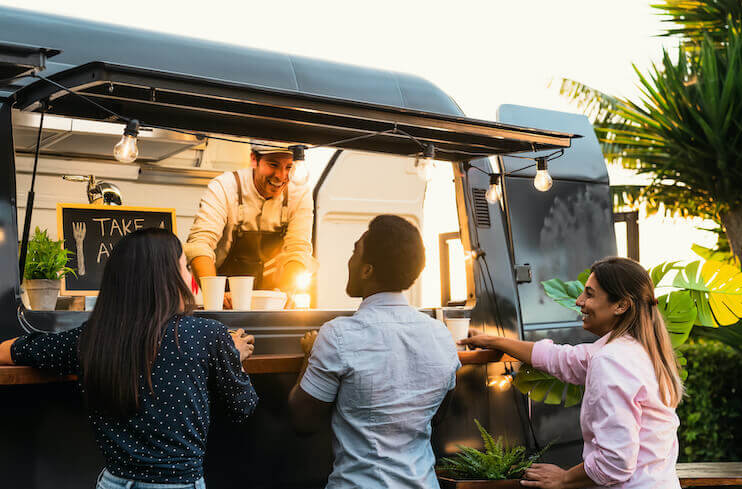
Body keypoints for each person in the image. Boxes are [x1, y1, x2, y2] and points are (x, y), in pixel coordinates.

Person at [0, 228, 259, 489]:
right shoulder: (208, 335)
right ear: (165, 278)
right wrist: (232, 358)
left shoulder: (91, 338)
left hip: (113, 482)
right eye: (185, 268)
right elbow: (242, 407)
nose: (190, 278)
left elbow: (12, 350)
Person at [460, 256, 682, 489]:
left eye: (590, 294)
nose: (579, 301)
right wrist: (494, 340)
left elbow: (616, 462)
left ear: (621, 305)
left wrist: (564, 478)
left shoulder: (611, 361)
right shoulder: (640, 349)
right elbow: (561, 359)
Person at [288, 215, 460, 489]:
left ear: (367, 270)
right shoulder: (441, 334)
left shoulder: (338, 335)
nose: (350, 260)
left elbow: (303, 421)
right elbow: (438, 415)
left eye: (355, 251)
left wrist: (310, 356)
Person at [184, 146, 316, 306]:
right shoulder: (224, 186)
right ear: (254, 159)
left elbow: (298, 250)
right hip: (224, 297)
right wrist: (215, 296)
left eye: (289, 167)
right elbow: (200, 244)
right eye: (273, 165)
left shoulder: (300, 193)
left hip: (273, 298)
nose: (281, 176)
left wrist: (286, 292)